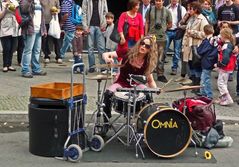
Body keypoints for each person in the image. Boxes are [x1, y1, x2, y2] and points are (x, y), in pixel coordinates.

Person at [102, 36, 158, 135]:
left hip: (136, 85)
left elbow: (150, 81)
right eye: (142, 43)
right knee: (107, 93)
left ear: (150, 49)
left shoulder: (148, 62)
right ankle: (106, 122)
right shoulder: (127, 52)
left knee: (148, 95)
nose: (143, 46)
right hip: (121, 83)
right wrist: (107, 59)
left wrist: (156, 89)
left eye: (147, 46)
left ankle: (145, 123)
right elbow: (106, 54)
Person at [178, 1, 208, 85]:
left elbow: (205, 34)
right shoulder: (191, 18)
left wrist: (193, 32)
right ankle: (193, 81)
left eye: (190, 9)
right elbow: (182, 24)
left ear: (195, 9)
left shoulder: (202, 19)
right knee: (190, 64)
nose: (188, 11)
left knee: (196, 65)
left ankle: (197, 82)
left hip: (196, 46)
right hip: (189, 46)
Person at [145, 0, 172, 83]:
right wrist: (146, 34)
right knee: (150, 56)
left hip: (162, 38)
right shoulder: (149, 10)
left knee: (161, 57)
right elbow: (147, 22)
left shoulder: (167, 11)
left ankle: (160, 74)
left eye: (160, 1)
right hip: (151, 37)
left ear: (163, 1)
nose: (158, 2)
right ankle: (149, 74)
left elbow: (170, 24)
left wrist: (163, 29)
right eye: (156, 0)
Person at [20, 0, 47, 78]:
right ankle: (25, 70)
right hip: (30, 30)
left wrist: (44, 29)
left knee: (37, 50)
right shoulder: (25, 1)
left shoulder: (39, 2)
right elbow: (24, 9)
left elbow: (42, 18)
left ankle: (36, 69)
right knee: (28, 50)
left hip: (39, 30)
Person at [82, 0, 108, 73]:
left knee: (101, 47)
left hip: (100, 26)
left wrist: (104, 24)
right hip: (90, 26)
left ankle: (103, 66)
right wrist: (85, 26)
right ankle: (92, 66)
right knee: (90, 48)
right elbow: (83, 13)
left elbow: (105, 12)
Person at [214, 28, 236, 106]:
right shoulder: (229, 44)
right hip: (228, 67)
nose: (220, 37)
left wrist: (219, 64)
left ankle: (228, 99)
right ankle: (224, 98)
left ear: (224, 36)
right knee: (224, 82)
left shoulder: (226, 46)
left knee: (221, 83)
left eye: (221, 35)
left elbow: (225, 59)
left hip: (225, 67)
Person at [165, 0, 187, 75]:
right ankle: (160, 68)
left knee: (177, 51)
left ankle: (174, 68)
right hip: (168, 31)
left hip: (178, 31)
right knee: (164, 50)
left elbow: (185, 20)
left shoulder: (182, 9)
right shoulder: (167, 8)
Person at [197, 24, 218, 99]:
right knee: (204, 78)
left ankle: (208, 94)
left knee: (205, 79)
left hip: (206, 61)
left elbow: (200, 50)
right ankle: (203, 92)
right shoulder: (215, 40)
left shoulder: (207, 41)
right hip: (209, 61)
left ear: (204, 32)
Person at [0, 0, 18, 72]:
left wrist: (14, 9)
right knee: (6, 48)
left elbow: (18, 14)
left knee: (12, 48)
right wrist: (5, 8)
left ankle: (9, 65)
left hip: (14, 26)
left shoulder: (15, 2)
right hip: (4, 27)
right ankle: (5, 65)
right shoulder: (1, 3)